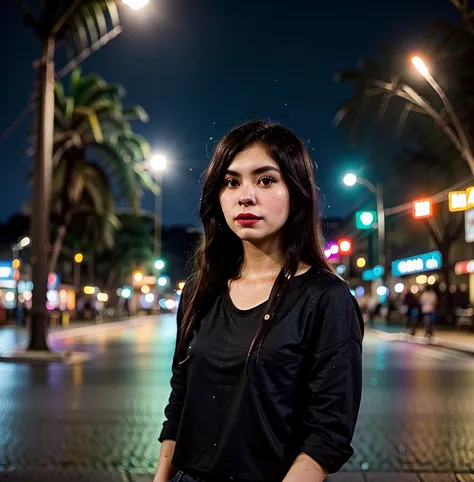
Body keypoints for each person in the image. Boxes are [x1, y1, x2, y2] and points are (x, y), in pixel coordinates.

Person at [154, 121, 364, 482]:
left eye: (265, 180)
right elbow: (181, 400)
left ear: (296, 193)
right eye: (231, 182)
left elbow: (328, 433)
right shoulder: (198, 291)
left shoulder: (326, 298)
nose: (244, 196)